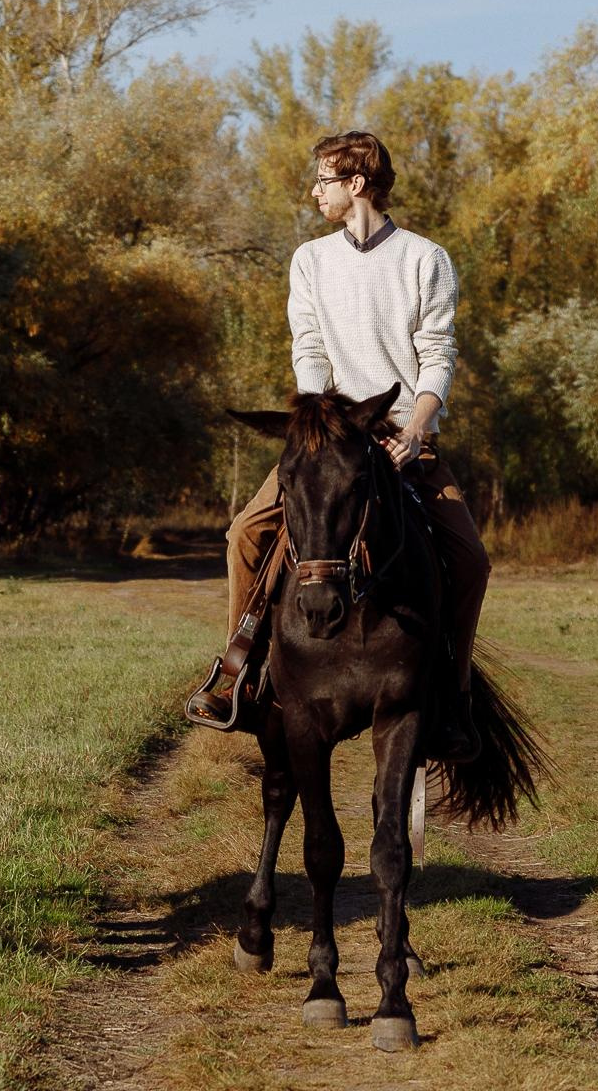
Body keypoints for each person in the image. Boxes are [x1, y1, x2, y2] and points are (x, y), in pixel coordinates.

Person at [186, 131, 490, 760]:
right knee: (245, 534)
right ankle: (241, 668)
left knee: (469, 562)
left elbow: (437, 358)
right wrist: (322, 424)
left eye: (323, 179)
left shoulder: (424, 259)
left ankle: (452, 699)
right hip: (329, 435)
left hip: (402, 433)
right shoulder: (310, 260)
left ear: (357, 184)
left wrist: (416, 429)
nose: (315, 190)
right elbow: (309, 347)